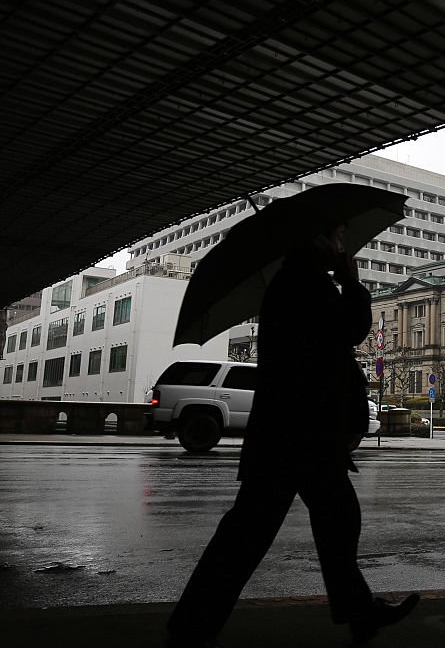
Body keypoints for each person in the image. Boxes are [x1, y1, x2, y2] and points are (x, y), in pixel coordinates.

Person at [165, 224, 419, 647]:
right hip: (300, 434)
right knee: (252, 534)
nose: (342, 245)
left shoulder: (296, 282)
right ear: (316, 242)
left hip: (294, 432)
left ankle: (359, 613)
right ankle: (190, 629)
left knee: (301, 526)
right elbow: (348, 331)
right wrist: (352, 282)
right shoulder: (305, 285)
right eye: (336, 237)